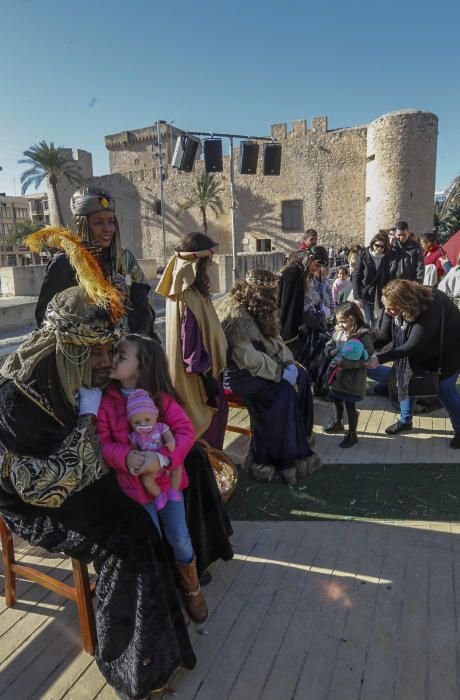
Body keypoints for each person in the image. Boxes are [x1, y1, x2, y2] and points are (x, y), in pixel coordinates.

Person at [0, 284, 196, 699]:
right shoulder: (18, 398)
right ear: (68, 348)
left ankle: (182, 588)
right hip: (35, 501)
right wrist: (89, 423)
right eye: (97, 353)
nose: (106, 363)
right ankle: (135, 663)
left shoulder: (81, 374)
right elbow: (42, 487)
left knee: (164, 490)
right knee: (130, 538)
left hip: (81, 477)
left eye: (112, 351)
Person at [97, 335, 208, 623]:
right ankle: (167, 594)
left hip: (167, 485)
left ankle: (192, 588)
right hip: (134, 490)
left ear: (141, 366)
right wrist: (124, 456)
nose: (111, 360)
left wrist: (160, 458)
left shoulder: (162, 399)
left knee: (180, 539)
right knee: (153, 542)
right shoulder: (105, 403)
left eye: (121, 356)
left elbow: (184, 433)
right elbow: (102, 442)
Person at [216, 268, 322, 485]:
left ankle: (299, 436)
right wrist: (280, 373)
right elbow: (247, 357)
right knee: (281, 392)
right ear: (259, 293)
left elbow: (275, 342)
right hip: (236, 375)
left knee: (301, 376)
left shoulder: (260, 308)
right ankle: (269, 461)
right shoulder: (236, 315)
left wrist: (290, 364)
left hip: (255, 367)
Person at [34, 186, 156, 336]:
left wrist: (138, 344)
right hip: (86, 353)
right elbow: (45, 315)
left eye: (111, 221)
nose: (108, 229)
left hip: (125, 352)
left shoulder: (125, 258)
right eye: (98, 222)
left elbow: (143, 309)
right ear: (82, 224)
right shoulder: (65, 262)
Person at [366, 279, 460, 448]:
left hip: (448, 351)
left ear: (405, 304)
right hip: (422, 351)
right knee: (406, 380)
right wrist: (366, 349)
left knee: (445, 388)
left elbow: (413, 345)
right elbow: (384, 336)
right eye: (384, 306)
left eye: (391, 309)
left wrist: (379, 359)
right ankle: (405, 421)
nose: (386, 312)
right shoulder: (392, 307)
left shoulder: (430, 307)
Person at [157, 232, 228, 449]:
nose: (212, 266)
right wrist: (208, 382)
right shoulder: (187, 299)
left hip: (203, 376)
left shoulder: (189, 295)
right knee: (208, 427)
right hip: (198, 382)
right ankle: (208, 473)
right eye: (208, 262)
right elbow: (191, 350)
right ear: (198, 265)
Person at [323, 302, 374, 447]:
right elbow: (330, 343)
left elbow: (367, 357)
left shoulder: (364, 335)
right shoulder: (340, 332)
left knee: (350, 405)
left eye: (344, 321)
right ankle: (338, 422)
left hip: (352, 380)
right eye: (339, 322)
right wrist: (329, 351)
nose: (341, 325)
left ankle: (352, 434)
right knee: (335, 399)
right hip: (336, 377)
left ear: (354, 318)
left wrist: (344, 364)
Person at [126, 388, 178, 507]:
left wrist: (170, 441)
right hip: (149, 465)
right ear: (131, 423)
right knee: (146, 481)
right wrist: (134, 460)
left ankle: (174, 491)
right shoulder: (134, 436)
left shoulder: (160, 427)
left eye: (147, 420)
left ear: (155, 416)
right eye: (137, 422)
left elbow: (169, 435)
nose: (143, 424)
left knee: (177, 467)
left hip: (164, 460)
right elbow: (134, 450)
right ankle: (160, 495)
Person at [352, 232, 391, 326]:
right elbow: (356, 276)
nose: (379, 248)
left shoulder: (385, 258)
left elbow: (387, 278)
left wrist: (386, 294)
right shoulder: (363, 256)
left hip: (378, 295)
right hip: (364, 293)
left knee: (377, 323)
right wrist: (357, 297)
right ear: (372, 244)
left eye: (382, 247)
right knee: (366, 321)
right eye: (377, 245)